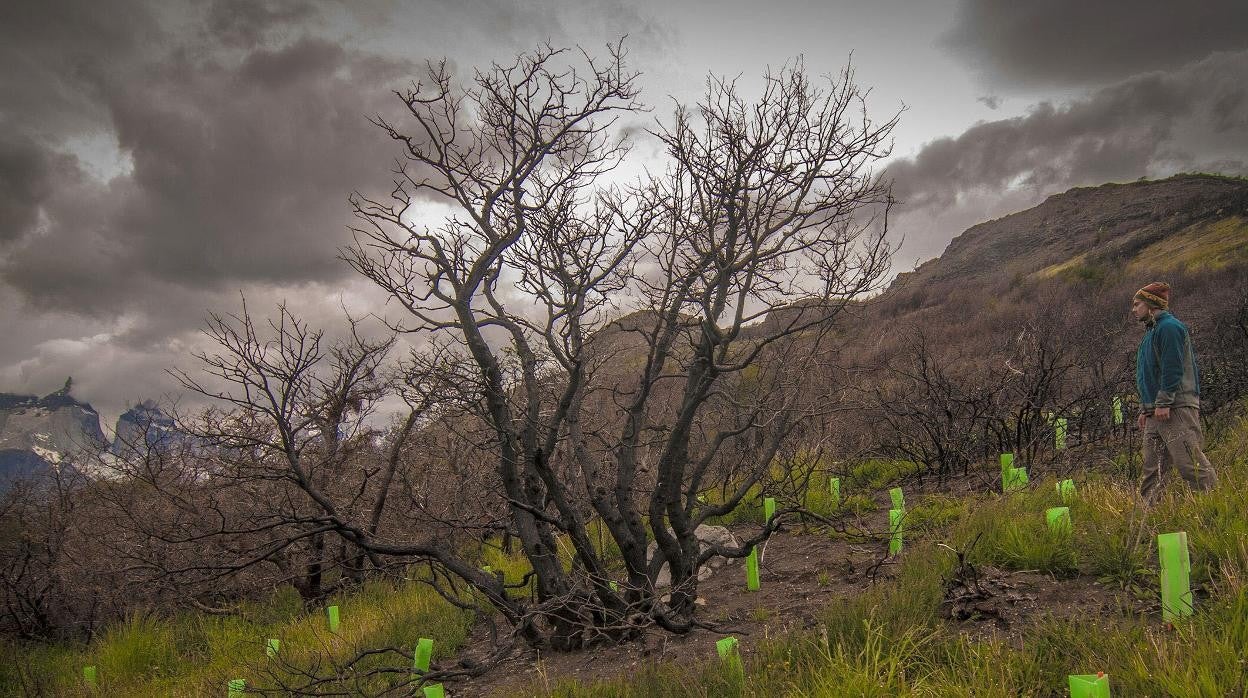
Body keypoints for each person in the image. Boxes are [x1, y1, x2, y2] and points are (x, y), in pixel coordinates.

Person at [1132, 281, 1216, 501]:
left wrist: (1164, 402)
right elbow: (1148, 374)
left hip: (1175, 407)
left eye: (1137, 304)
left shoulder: (1169, 327)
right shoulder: (1151, 332)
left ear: (1151, 305)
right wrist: (1146, 408)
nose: (1134, 309)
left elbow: (1172, 368)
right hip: (1156, 411)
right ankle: (1150, 519)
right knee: (1153, 470)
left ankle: (1214, 510)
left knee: (1190, 464)